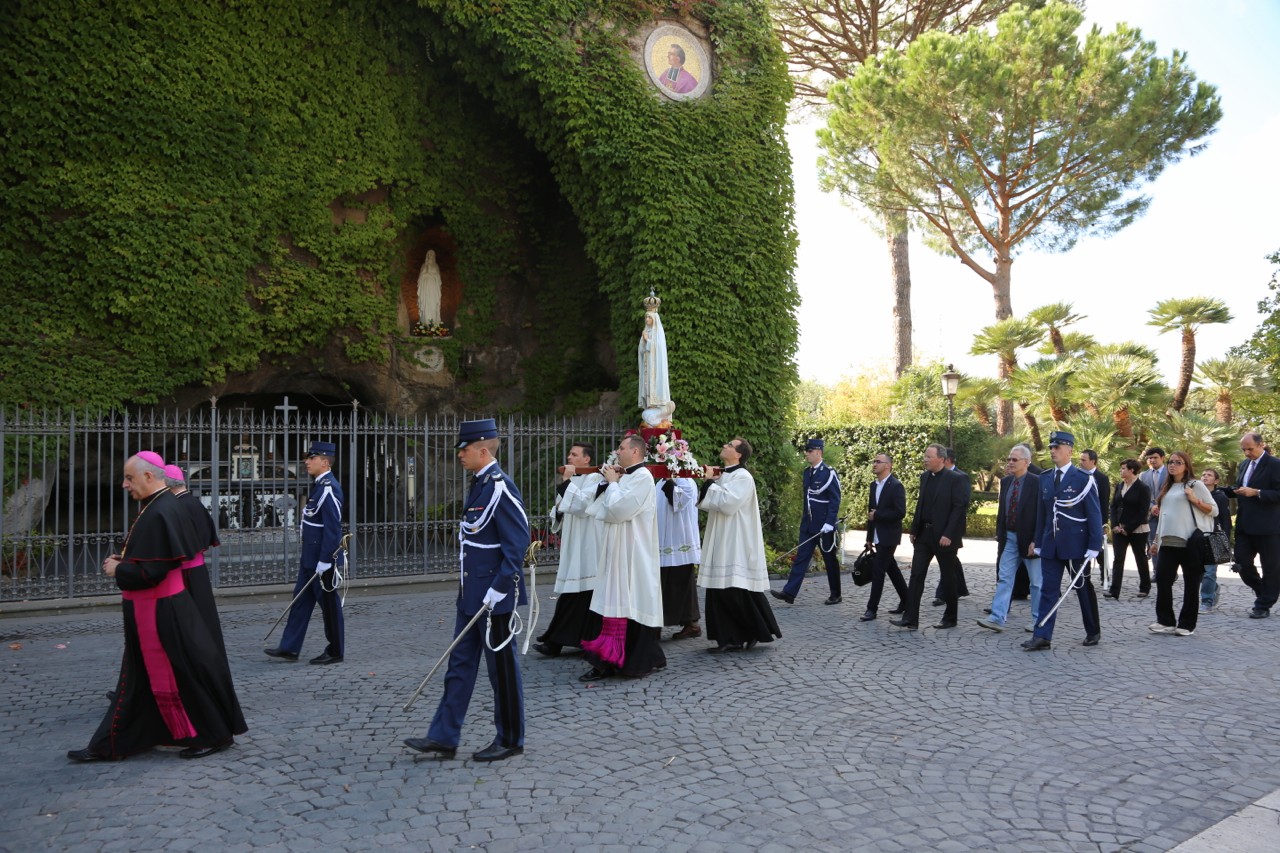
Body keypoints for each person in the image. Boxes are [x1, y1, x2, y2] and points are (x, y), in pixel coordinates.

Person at [68, 451, 246, 762]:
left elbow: (153, 571)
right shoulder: (161, 504)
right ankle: (131, 739)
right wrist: (126, 561)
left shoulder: (161, 509)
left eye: (129, 478)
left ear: (149, 476)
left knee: (183, 674)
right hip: (159, 608)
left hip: (160, 609)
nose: (124, 484)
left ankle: (212, 735)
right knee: (153, 677)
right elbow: (155, 556)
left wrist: (119, 569)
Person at [405, 419, 528, 761]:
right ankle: (444, 736)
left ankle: (510, 739)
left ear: (483, 450)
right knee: (459, 666)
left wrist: (499, 588)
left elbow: (517, 543)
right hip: (471, 594)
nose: (460, 454)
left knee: (502, 671)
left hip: (494, 598)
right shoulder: (479, 484)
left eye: (465, 449)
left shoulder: (500, 488)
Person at [578, 434, 665, 681]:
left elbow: (618, 510)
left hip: (633, 551)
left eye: (622, 448)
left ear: (635, 452)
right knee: (613, 600)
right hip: (616, 548)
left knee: (630, 603)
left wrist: (613, 484)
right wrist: (609, 484)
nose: (617, 451)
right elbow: (600, 508)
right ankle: (619, 658)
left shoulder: (643, 477)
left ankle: (626, 661)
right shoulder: (626, 476)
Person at [265, 441, 346, 665]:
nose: (306, 462)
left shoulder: (329, 488)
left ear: (325, 462)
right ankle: (289, 647)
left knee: (329, 606)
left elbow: (333, 528)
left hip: (322, 559)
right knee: (300, 601)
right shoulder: (319, 485)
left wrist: (326, 560)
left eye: (312, 458)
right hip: (310, 557)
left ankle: (335, 650)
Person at [698, 438, 781, 652]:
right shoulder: (725, 474)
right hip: (722, 536)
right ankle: (728, 637)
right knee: (719, 588)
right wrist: (712, 482)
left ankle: (750, 632)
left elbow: (728, 503)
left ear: (739, 454)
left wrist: (709, 483)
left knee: (734, 589)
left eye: (729, 445)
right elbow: (711, 502)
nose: (724, 446)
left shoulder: (743, 476)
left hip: (735, 539)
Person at [1024, 431, 1103, 651]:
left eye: (1057, 447)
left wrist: (1094, 545)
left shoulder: (1083, 479)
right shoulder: (1045, 477)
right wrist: (1038, 541)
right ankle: (1042, 636)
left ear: (1070, 450)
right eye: (1051, 447)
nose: (1053, 451)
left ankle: (1093, 630)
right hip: (1051, 543)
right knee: (1048, 590)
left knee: (1082, 588)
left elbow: (1094, 513)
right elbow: (1042, 513)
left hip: (1077, 544)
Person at [534, 443, 604, 656]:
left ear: (587, 459)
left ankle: (558, 642)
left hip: (589, 544)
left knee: (582, 594)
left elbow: (582, 505)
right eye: (569, 454)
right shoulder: (573, 479)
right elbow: (560, 508)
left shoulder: (597, 479)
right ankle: (559, 641)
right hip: (574, 544)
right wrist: (557, 511)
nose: (569, 457)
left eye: (574, 454)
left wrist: (565, 482)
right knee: (572, 593)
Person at [891, 443, 968, 631]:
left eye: (929, 456)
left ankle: (950, 617)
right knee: (916, 575)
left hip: (944, 537)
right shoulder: (925, 477)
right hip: (924, 535)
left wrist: (949, 534)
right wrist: (914, 529)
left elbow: (959, 508)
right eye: (925, 456)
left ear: (941, 459)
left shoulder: (956, 479)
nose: (925, 459)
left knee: (948, 577)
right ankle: (910, 618)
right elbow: (921, 504)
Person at [1148, 451, 1217, 636]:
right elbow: (1163, 516)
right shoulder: (1167, 486)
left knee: (1191, 584)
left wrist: (1194, 499)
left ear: (1186, 466)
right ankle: (1165, 621)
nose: (1173, 465)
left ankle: (1187, 624)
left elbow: (1214, 510)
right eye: (1171, 462)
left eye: (1178, 462)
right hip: (1167, 543)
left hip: (1190, 543)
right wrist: (1155, 541)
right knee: (1163, 581)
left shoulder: (1195, 485)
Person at [162, 464, 228, 660]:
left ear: (167, 484)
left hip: (186, 572)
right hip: (195, 570)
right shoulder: (191, 502)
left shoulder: (179, 506)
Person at [976, 444, 1042, 634]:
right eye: (1009, 459)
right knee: (1004, 578)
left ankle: (1039, 621)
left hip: (1030, 540)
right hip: (1010, 538)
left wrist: (1036, 540)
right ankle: (997, 618)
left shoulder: (1037, 482)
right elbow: (1003, 511)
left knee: (1036, 583)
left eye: (1014, 459)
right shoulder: (1006, 482)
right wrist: (1000, 532)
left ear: (1026, 462)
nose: (1010, 462)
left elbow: (1042, 514)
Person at [775, 438, 842, 605]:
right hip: (808, 525)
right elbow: (807, 500)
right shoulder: (807, 472)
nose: (806, 453)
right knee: (801, 558)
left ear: (819, 452)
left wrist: (830, 522)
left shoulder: (829, 473)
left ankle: (836, 594)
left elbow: (835, 500)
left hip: (824, 526)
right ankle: (789, 593)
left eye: (810, 451)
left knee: (830, 560)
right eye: (806, 450)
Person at [1222, 432, 1280, 619]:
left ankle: (1263, 605)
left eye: (1250, 449)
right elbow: (1242, 489)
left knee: (1270, 567)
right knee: (1241, 563)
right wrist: (1228, 491)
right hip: (1245, 525)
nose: (1247, 453)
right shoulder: (1244, 464)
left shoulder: (1275, 465)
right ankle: (1264, 591)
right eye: (1244, 450)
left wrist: (1257, 492)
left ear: (1261, 445)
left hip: (1269, 527)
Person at [859, 452, 908, 622]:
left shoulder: (896, 486)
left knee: (878, 571)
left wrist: (878, 515)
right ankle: (907, 600)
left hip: (889, 536)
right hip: (877, 536)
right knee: (892, 569)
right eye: (873, 461)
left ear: (888, 465)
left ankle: (871, 609)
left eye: (878, 462)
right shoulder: (873, 485)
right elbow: (871, 512)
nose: (874, 464)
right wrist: (869, 537)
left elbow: (900, 512)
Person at [657, 476, 702, 639]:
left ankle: (691, 624)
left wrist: (669, 480)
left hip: (680, 541)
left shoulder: (687, 482)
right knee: (666, 583)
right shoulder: (660, 481)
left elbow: (678, 502)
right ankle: (687, 623)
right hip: (663, 540)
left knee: (681, 583)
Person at [1106, 459, 1152, 600]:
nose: (1121, 471)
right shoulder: (1120, 485)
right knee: (1118, 558)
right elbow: (1113, 506)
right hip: (1119, 529)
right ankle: (1114, 590)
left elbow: (1143, 511)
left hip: (1138, 529)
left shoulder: (1143, 488)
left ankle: (1145, 587)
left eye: (1123, 468)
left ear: (1132, 470)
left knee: (1140, 557)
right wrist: (1115, 525)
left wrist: (1128, 528)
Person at [932, 448, 971, 605]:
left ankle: (942, 594)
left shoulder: (961, 477)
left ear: (946, 460)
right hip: (937, 526)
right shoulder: (935, 476)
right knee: (951, 559)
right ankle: (960, 588)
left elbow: (962, 504)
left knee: (947, 559)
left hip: (952, 527)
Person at [1199, 467, 1233, 613]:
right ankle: (1213, 587)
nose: (1205, 477)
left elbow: (1225, 519)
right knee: (1197, 571)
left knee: (1209, 571)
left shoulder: (1220, 497)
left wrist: (1225, 538)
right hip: (1197, 536)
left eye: (1209, 475)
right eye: (1203, 474)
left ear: (1216, 481)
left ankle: (1207, 601)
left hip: (1213, 536)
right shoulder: (1194, 494)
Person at [1140, 447, 1169, 552]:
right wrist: (1151, 507)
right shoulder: (1143, 475)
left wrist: (1161, 506)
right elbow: (1142, 496)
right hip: (1151, 515)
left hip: (1168, 514)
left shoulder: (1171, 474)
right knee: (1153, 545)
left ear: (1162, 458)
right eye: (1150, 458)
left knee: (1167, 545)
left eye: (1155, 457)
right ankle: (1156, 564)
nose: (1152, 460)